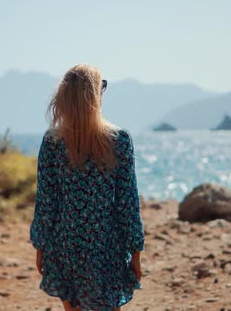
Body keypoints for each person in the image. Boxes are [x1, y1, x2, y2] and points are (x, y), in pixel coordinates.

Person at [30, 64, 145, 311]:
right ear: (94, 95)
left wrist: (40, 246)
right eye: (102, 86)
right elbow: (127, 203)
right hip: (107, 245)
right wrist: (136, 251)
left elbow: (46, 202)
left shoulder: (52, 142)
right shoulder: (119, 140)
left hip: (65, 244)